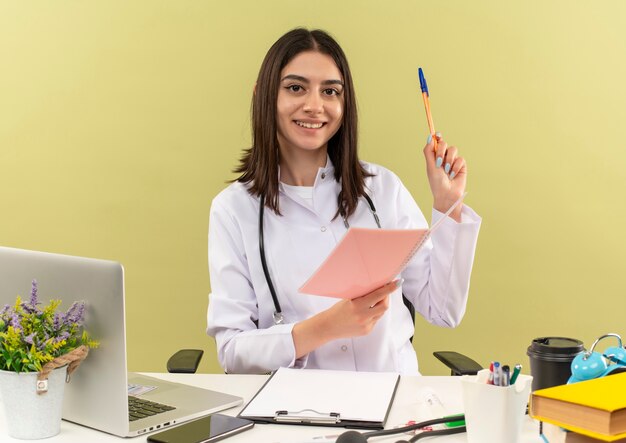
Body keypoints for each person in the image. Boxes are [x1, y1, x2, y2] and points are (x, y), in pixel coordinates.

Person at [206, 28, 481, 374]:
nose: (314, 105)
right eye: (295, 87)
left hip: (393, 405)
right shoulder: (234, 210)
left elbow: (444, 311)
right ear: (263, 96)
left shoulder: (383, 190)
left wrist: (448, 205)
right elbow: (232, 351)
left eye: (330, 91)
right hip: (298, 411)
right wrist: (323, 328)